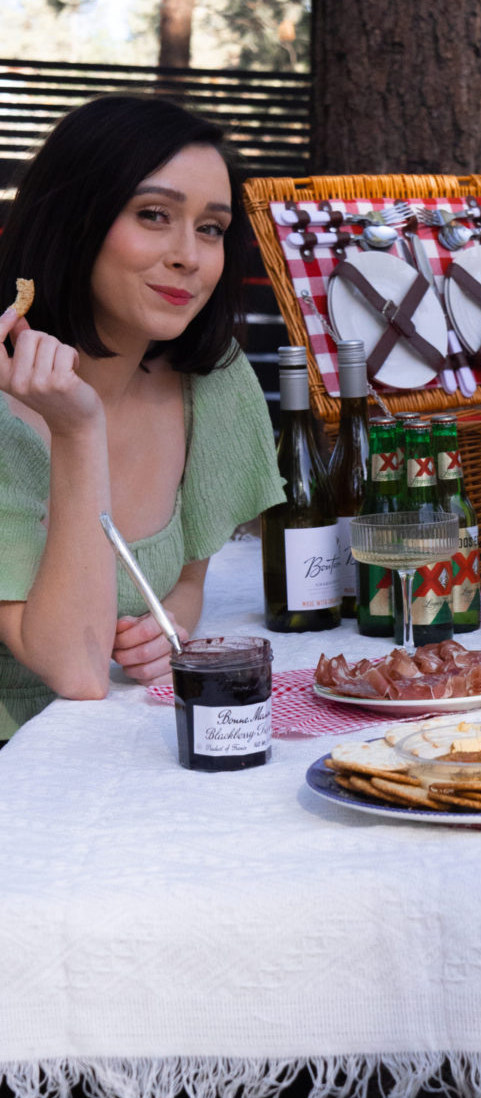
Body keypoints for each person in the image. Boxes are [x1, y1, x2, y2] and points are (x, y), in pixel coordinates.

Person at [0, 95, 284, 741]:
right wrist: (78, 431)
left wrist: (165, 626)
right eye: (153, 215)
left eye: (210, 228)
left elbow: (185, 581)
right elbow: (75, 670)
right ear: (75, 219)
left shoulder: (210, 382)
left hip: (119, 744)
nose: (189, 255)